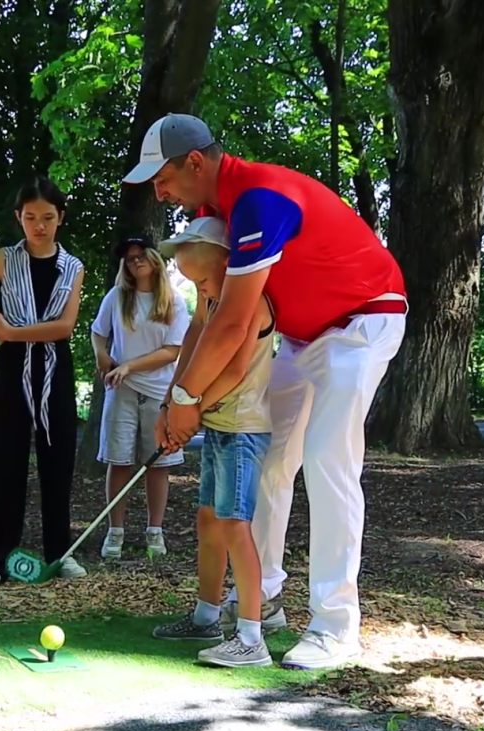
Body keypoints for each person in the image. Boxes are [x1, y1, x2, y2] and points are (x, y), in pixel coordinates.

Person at [124, 113, 407, 669]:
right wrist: (175, 397)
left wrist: (188, 402)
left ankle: (335, 625)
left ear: (197, 163)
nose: (158, 190)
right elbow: (205, 317)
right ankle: (265, 599)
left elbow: (233, 322)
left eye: (163, 176)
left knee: (328, 459)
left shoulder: (259, 199)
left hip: (362, 322)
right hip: (304, 338)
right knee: (272, 458)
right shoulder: (212, 213)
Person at [0, 176, 86, 588]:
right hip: (12, 368)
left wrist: (14, 333)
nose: (38, 225)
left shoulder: (72, 266)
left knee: (57, 462)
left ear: (60, 218)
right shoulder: (4, 259)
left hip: (54, 367)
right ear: (18, 219)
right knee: (5, 461)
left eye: (47, 217)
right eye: (30, 217)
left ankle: (60, 552)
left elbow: (64, 327)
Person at [151, 216, 276, 667]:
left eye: (202, 278)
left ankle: (251, 638)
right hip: (218, 425)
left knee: (233, 524)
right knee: (208, 518)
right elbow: (193, 342)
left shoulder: (251, 303)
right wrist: (169, 405)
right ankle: (206, 615)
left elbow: (236, 369)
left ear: (228, 262)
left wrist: (192, 410)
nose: (200, 290)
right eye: (193, 285)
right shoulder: (213, 297)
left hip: (242, 428)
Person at [91, 235, 190, 559]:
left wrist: (130, 365)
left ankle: (154, 533)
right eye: (129, 259)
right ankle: (115, 533)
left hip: (159, 391)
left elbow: (172, 351)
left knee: (157, 464)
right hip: (121, 389)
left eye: (140, 255)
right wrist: (102, 358)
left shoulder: (173, 301)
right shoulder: (118, 297)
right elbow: (97, 332)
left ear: (154, 258)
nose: (135, 262)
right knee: (118, 461)